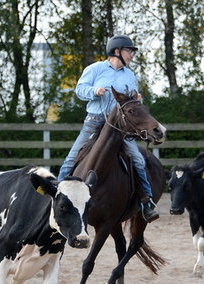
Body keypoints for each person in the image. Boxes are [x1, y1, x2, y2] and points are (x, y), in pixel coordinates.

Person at [57, 35, 159, 222]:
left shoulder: (130, 75)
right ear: (117, 51)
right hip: (95, 121)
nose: (131, 55)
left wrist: (137, 99)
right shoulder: (95, 69)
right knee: (72, 157)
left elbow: (132, 103)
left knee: (138, 159)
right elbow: (80, 90)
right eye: (129, 51)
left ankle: (147, 202)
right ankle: (55, 194)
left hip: (121, 127)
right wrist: (94, 92)